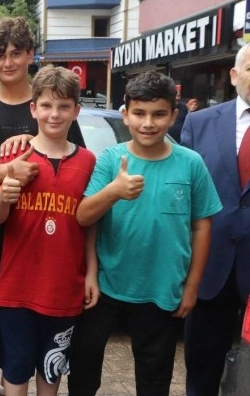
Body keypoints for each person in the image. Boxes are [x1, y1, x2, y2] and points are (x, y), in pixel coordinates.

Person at [68, 71, 222, 396]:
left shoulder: (191, 163)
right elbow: (84, 216)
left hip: (161, 289)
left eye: (158, 114)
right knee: (83, 367)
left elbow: (201, 226)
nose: (148, 123)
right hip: (106, 286)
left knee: (154, 377)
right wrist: (113, 191)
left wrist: (192, 286)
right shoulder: (111, 159)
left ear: (174, 116)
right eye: (139, 113)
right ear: (126, 115)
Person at [0, 16, 85, 393]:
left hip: (49, 257)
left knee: (46, 363)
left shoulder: (52, 106)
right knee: (6, 355)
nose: (8, 62)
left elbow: (75, 166)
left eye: (16, 53)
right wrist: (8, 171)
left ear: (31, 55)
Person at [0, 65, 97, 395]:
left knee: (51, 374)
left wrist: (91, 273)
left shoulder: (89, 162)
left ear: (76, 111)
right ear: (33, 109)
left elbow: (90, 223)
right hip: (15, 290)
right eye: (47, 105)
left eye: (64, 106)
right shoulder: (14, 155)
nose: (55, 114)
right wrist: (4, 197)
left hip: (64, 291)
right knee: (15, 376)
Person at [181, 43, 250, 396]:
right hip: (210, 267)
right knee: (202, 370)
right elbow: (184, 196)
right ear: (234, 76)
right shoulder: (199, 123)